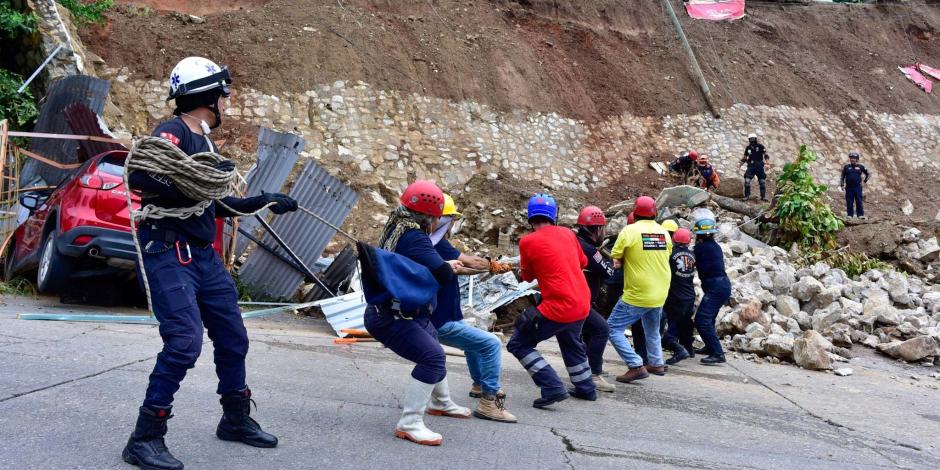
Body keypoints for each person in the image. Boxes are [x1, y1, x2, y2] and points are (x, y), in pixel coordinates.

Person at [123, 57, 297, 470]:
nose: (226, 101)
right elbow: (143, 178)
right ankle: (144, 437)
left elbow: (213, 202)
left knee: (233, 338)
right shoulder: (173, 133)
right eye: (223, 94)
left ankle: (235, 419)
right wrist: (192, 187)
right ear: (208, 95)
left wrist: (261, 200)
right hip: (169, 250)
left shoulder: (206, 142)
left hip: (203, 255)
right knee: (184, 342)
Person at [364, 181, 472, 446]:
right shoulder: (414, 237)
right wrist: (450, 266)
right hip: (392, 316)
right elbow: (443, 273)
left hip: (403, 311)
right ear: (430, 217)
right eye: (439, 218)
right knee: (433, 357)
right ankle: (410, 423)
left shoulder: (397, 227)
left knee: (433, 344)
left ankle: (442, 402)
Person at [431, 193, 517, 423]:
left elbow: (461, 269)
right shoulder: (437, 243)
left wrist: (490, 269)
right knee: (491, 343)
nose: (452, 225)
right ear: (443, 219)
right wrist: (492, 265)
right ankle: (489, 402)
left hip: (443, 317)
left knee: (475, 343)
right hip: (440, 321)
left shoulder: (428, 243)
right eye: (451, 220)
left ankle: (479, 385)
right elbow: (470, 262)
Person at [507, 193, 596, 408]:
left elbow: (527, 277)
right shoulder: (567, 233)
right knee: (570, 339)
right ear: (553, 215)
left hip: (559, 305)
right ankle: (586, 387)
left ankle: (552, 386)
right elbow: (583, 260)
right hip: (582, 302)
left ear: (530, 217)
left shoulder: (527, 241)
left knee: (518, 343)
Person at [606, 196, 672, 383]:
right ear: (655, 213)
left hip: (639, 291)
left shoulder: (629, 231)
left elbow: (616, 258)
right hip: (660, 290)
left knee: (612, 328)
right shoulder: (664, 233)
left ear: (634, 213)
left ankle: (635, 364)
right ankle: (656, 362)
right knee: (651, 329)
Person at [574, 205, 616, 393]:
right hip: (579, 301)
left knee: (587, 334)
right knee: (601, 330)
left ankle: (588, 367)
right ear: (598, 229)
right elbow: (607, 271)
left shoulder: (575, 242)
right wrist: (610, 262)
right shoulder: (590, 250)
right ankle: (593, 374)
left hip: (576, 297)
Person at [691, 208, 732, 365]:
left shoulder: (700, 248)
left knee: (702, 319)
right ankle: (709, 347)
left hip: (716, 287)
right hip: (721, 285)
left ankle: (718, 353)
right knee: (710, 318)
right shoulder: (715, 246)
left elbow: (691, 261)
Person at [663, 228, 697, 365]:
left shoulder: (671, 255)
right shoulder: (693, 255)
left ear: (674, 240)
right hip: (689, 295)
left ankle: (677, 349)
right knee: (686, 322)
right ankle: (689, 348)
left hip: (675, 297)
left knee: (673, 325)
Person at [840, 151, 870, 219]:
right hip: (849, 187)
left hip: (857, 187)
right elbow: (842, 176)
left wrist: (864, 182)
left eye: (853, 158)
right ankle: (850, 215)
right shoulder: (846, 167)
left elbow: (868, 174)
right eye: (851, 158)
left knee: (859, 200)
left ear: (857, 159)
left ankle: (860, 215)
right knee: (849, 201)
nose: (852, 159)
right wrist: (842, 185)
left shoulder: (861, 167)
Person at [741, 133, 769, 201]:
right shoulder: (748, 148)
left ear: (756, 139)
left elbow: (766, 155)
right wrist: (739, 164)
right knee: (747, 181)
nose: (752, 140)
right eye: (750, 139)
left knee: (762, 182)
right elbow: (745, 158)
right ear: (749, 140)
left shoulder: (761, 146)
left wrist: (768, 163)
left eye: (753, 139)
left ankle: (763, 197)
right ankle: (747, 196)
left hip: (759, 165)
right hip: (751, 166)